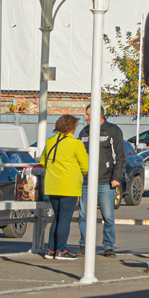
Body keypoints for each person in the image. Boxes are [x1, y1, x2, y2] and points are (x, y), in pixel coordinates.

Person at [79, 104, 127, 258]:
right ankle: (84, 244)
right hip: (87, 182)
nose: (85, 118)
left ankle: (108, 246)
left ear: (97, 115)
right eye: (85, 114)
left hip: (106, 182)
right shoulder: (83, 132)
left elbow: (120, 157)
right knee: (84, 215)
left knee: (108, 215)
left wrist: (116, 178)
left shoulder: (112, 131)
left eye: (88, 115)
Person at [40, 114, 87, 260]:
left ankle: (50, 249)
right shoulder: (76, 144)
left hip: (52, 185)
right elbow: (85, 166)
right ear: (72, 128)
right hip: (69, 186)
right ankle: (61, 250)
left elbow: (43, 161)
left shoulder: (50, 141)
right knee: (65, 219)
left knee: (57, 217)